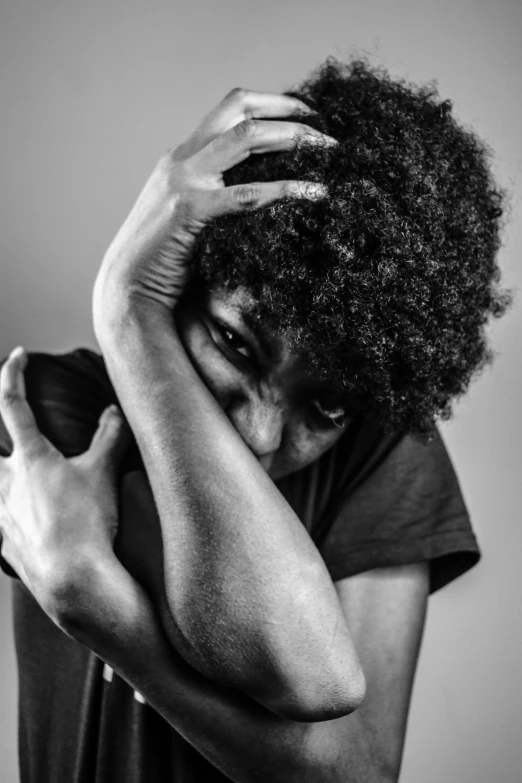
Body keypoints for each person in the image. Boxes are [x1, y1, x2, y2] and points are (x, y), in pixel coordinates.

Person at [0, 57, 512, 783]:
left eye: (326, 406)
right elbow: (309, 685)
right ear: (178, 278)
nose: (261, 436)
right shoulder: (55, 412)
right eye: (236, 345)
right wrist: (126, 303)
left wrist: (112, 625)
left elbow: (351, 760)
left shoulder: (384, 459)